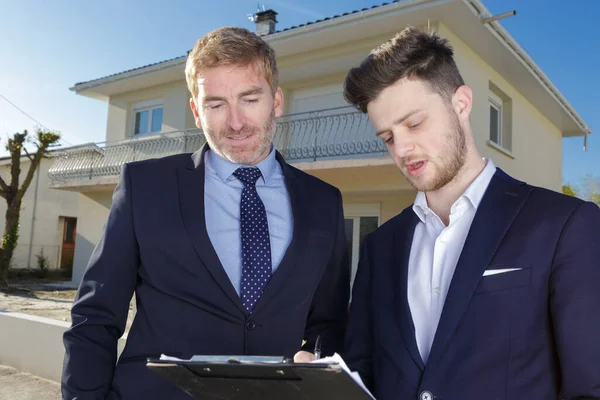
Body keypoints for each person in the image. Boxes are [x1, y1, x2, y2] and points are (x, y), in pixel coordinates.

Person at [62, 26, 350, 400]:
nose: (235, 122)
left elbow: (328, 322)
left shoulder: (324, 201)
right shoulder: (145, 186)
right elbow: (95, 318)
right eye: (216, 104)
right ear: (197, 112)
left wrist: (318, 367)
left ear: (276, 101)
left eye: (249, 99)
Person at [342, 26, 600, 400]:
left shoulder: (565, 225)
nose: (402, 148)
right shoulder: (380, 247)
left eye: (414, 123)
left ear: (461, 103)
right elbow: (362, 377)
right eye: (388, 137)